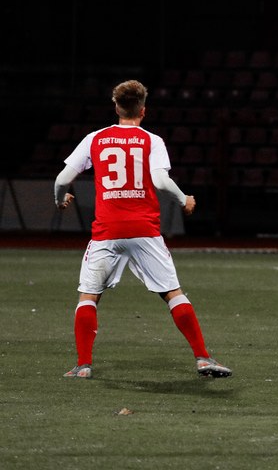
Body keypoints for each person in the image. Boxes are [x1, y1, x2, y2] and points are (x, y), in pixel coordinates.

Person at [54, 79, 231, 379]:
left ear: (116, 107)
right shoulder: (152, 140)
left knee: (88, 297)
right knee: (173, 293)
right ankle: (203, 358)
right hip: (144, 230)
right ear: (143, 110)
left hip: (107, 231)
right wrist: (183, 199)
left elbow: (61, 179)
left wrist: (60, 200)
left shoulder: (95, 138)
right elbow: (161, 181)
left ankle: (83, 365)